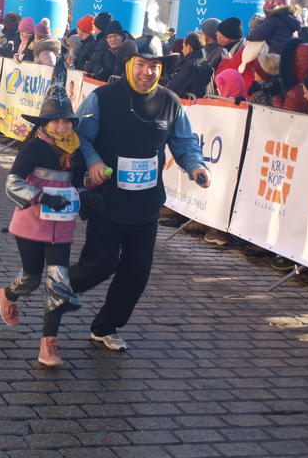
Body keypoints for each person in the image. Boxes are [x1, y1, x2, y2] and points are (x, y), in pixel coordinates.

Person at [69, 37, 209, 351]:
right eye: (141, 64)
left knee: (136, 273)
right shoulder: (102, 98)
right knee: (99, 265)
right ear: (129, 65)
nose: (147, 72)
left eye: (154, 66)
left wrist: (195, 166)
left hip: (146, 204)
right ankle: (59, 288)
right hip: (108, 199)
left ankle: (106, 327)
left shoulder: (170, 102)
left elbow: (184, 142)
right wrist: (93, 161)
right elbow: (80, 137)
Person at [0, 64, 89, 367]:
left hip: (62, 226)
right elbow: (12, 183)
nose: (61, 127)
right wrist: (42, 197)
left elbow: (77, 183)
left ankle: (49, 343)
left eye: (66, 121)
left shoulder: (76, 150)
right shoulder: (34, 147)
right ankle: (8, 294)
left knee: (57, 280)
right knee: (32, 277)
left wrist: (86, 198)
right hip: (31, 223)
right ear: (44, 123)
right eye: (55, 121)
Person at [166, 32, 213, 99]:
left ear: (189, 47)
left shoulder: (190, 67)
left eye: (183, 47)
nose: (182, 50)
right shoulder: (207, 65)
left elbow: (172, 89)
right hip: (204, 103)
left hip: (189, 104)